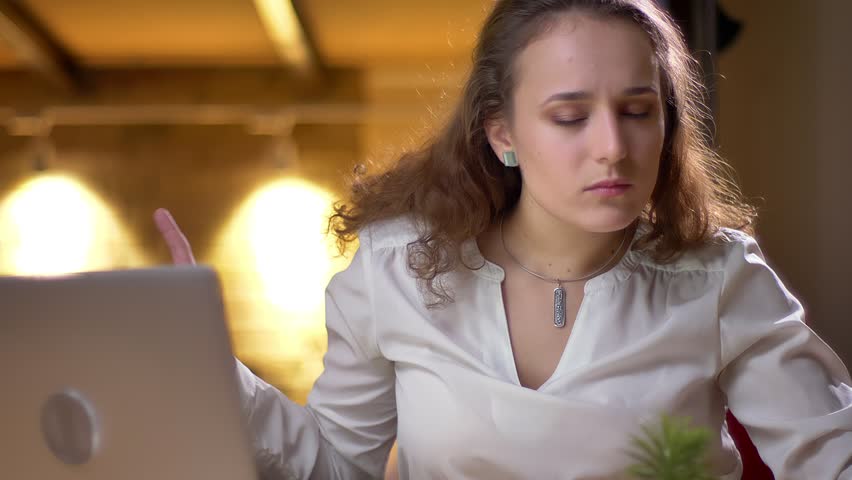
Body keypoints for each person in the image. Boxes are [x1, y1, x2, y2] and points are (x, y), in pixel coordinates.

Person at [154, 0, 852, 478]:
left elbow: (831, 458)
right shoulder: (395, 270)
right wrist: (208, 363)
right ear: (503, 134)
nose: (613, 147)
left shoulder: (718, 276)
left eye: (638, 111)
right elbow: (337, 466)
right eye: (570, 117)